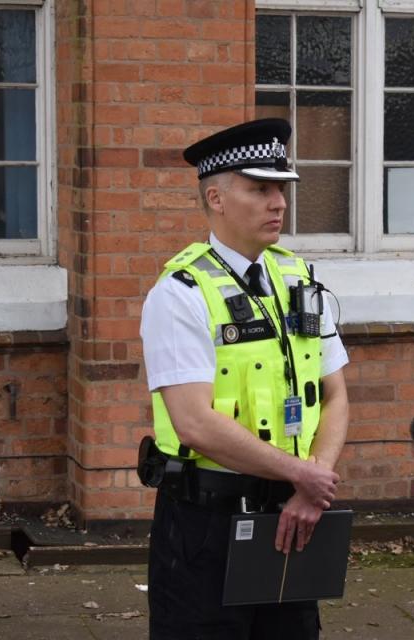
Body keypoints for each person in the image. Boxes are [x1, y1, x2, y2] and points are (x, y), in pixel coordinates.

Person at [139, 118, 350, 640]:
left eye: (281, 187)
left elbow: (335, 393)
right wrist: (300, 474)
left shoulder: (298, 278)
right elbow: (193, 423)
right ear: (216, 197)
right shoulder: (180, 293)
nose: (278, 202)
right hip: (205, 526)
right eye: (260, 188)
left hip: (294, 517)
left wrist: (311, 486)